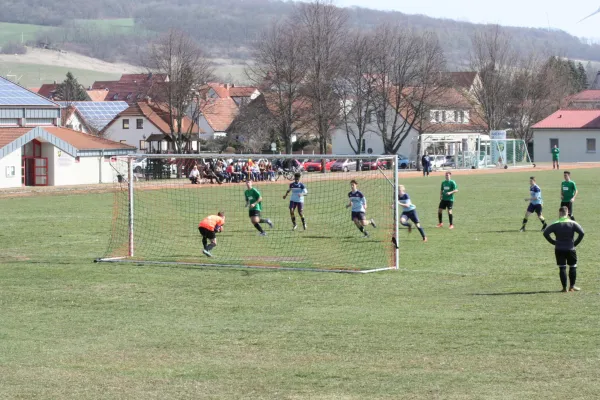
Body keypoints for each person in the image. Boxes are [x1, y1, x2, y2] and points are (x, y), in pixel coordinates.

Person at [543, 206, 584, 292]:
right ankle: (572, 287)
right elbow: (582, 233)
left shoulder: (555, 223)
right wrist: (575, 243)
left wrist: (553, 242)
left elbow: (545, 233)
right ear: (567, 212)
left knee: (562, 268)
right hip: (570, 248)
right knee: (573, 267)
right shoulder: (572, 223)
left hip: (559, 249)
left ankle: (564, 288)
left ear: (559, 213)